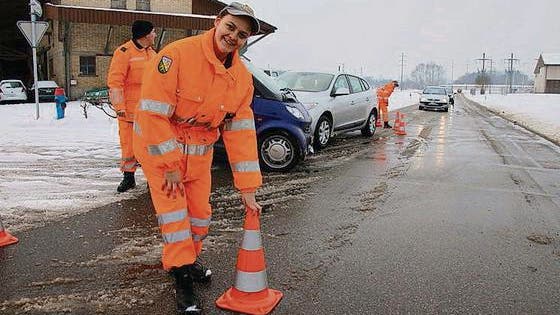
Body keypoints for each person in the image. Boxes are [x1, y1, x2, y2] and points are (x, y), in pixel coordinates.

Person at [132, 3, 262, 314]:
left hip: (199, 155)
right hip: (162, 153)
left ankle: (187, 260)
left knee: (201, 217)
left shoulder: (241, 79)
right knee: (176, 219)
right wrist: (170, 166)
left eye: (241, 34)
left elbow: (241, 133)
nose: (233, 36)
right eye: (230, 27)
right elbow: (152, 114)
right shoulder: (177, 55)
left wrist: (248, 187)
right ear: (218, 21)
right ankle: (182, 278)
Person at [107, 20, 157, 193]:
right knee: (129, 146)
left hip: (150, 112)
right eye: (153, 32)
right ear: (144, 35)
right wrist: (119, 108)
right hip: (129, 112)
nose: (155, 35)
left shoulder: (153, 54)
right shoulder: (123, 53)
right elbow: (115, 83)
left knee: (151, 146)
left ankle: (153, 178)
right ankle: (129, 178)